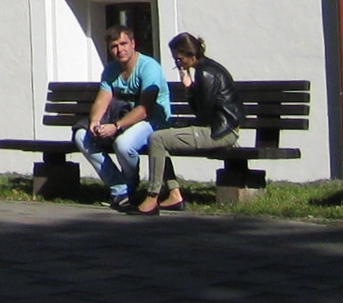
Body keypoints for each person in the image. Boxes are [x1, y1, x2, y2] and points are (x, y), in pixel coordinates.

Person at [136, 32, 243, 214]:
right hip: (218, 128)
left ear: (191, 55)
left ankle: (153, 196)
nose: (178, 63)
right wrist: (191, 89)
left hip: (220, 132)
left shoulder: (206, 73)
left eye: (179, 58)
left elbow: (204, 115)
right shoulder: (205, 69)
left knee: (157, 139)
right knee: (161, 139)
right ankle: (174, 195)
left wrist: (189, 89)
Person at [74, 22, 168, 208]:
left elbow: (145, 109)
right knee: (81, 136)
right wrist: (95, 121)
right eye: (114, 47)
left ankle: (130, 186)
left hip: (153, 120)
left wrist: (116, 127)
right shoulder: (110, 71)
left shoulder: (149, 67)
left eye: (123, 44)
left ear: (133, 43)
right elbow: (102, 100)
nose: (120, 50)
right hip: (122, 118)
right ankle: (120, 188)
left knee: (123, 144)